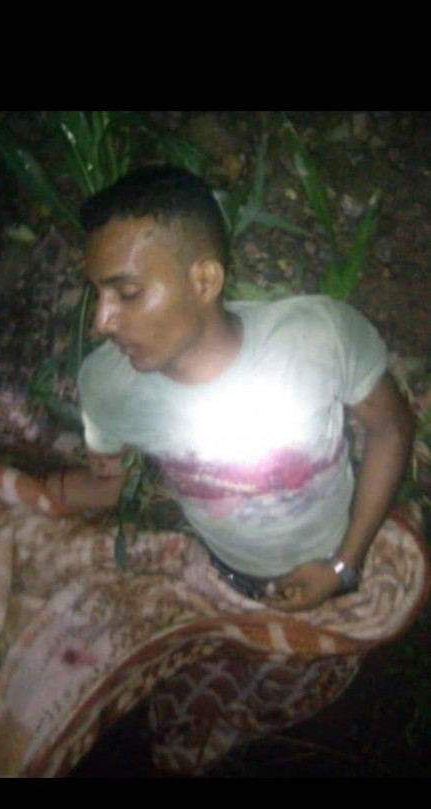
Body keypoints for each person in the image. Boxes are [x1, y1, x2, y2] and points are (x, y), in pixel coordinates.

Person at [45, 164, 415, 612]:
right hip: (227, 567)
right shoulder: (106, 385)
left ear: (204, 280)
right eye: (98, 295)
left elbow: (390, 428)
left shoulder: (315, 339)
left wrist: (343, 565)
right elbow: (106, 485)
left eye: (127, 293)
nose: (102, 323)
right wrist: (33, 491)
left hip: (337, 547)